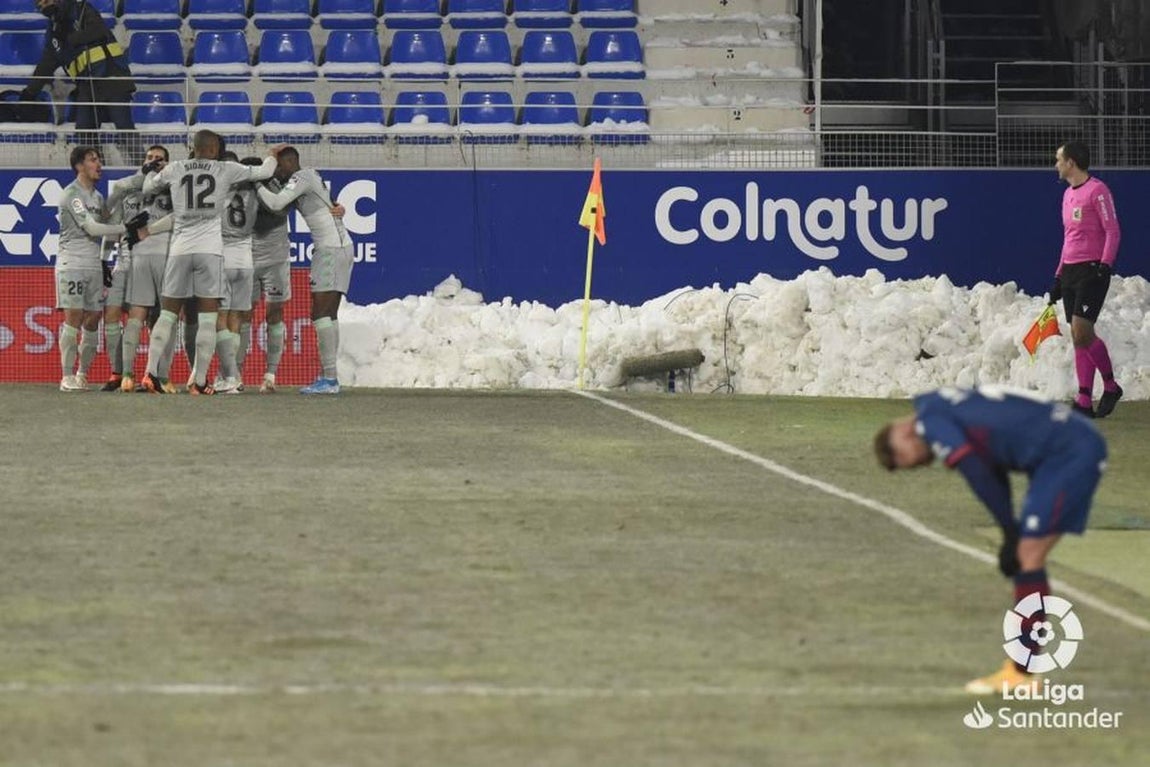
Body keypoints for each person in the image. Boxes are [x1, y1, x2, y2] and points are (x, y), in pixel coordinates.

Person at [874, 386, 1107, 695]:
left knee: (1027, 556)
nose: (921, 465)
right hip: (1065, 448)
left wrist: (1010, 533)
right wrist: (1008, 529)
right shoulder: (939, 403)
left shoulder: (930, 421)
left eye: (908, 460)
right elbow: (990, 469)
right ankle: (1021, 670)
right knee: (1026, 555)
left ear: (902, 433)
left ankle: (1021, 672)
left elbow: (977, 472)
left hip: (1067, 453)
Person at [138, 130, 283, 395]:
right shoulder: (225, 169)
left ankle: (150, 373)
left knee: (168, 314)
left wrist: (150, 170)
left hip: (180, 249)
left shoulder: (176, 168)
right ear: (215, 149)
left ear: (193, 148)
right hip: (211, 252)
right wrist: (272, 156)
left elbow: (148, 187)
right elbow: (263, 172)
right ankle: (200, 381)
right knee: (208, 319)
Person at [256, 146, 355, 395]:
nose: (275, 171)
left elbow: (277, 202)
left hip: (331, 249)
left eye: (277, 166)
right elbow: (329, 204)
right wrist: (339, 207)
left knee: (321, 314)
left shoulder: (300, 178)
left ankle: (330, 379)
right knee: (328, 315)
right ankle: (329, 376)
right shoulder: (309, 177)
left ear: (288, 163)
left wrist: (256, 184)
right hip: (337, 246)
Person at [54, 145, 147, 391]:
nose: (99, 164)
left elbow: (107, 218)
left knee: (94, 319)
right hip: (71, 262)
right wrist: (127, 229)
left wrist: (138, 177)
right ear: (79, 166)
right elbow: (93, 228)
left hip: (93, 264)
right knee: (74, 317)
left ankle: (82, 374)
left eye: (99, 160)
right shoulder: (71, 194)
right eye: (93, 160)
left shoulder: (96, 196)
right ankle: (66, 376)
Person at [1050, 141, 1122, 418]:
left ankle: (1111, 385)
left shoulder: (1098, 191)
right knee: (1077, 337)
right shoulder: (1068, 195)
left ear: (1071, 163)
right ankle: (1083, 399)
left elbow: (1113, 230)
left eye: (1059, 159)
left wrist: (1105, 265)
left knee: (1082, 331)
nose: (1056, 164)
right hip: (1070, 270)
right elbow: (1068, 238)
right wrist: (1058, 275)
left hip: (1092, 269)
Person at [20, 0, 137, 162]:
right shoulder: (53, 32)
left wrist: (71, 38)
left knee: (124, 127)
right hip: (86, 86)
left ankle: (144, 171)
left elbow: (99, 30)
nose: (44, 7)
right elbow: (47, 64)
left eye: (46, 1)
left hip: (112, 77)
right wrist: (29, 92)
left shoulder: (80, 9)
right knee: (84, 132)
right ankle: (95, 171)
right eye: (40, 6)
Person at [104, 144, 177, 392]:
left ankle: (156, 375)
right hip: (132, 261)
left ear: (168, 163)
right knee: (148, 317)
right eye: (150, 158)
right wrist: (104, 258)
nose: (155, 162)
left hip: (162, 257)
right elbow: (113, 212)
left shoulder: (174, 185)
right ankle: (125, 374)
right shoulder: (130, 190)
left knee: (155, 317)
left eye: (160, 159)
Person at [212, 152, 262, 393]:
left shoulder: (217, 190)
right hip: (246, 260)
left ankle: (229, 375)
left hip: (223, 257)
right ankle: (231, 376)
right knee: (236, 320)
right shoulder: (255, 191)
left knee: (220, 319)